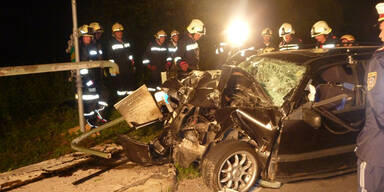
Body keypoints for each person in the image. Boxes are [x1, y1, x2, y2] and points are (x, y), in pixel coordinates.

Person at [355, 2, 384, 192]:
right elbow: (380, 105)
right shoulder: (379, 61)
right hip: (376, 154)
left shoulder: (380, 61)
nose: (380, 35)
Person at [78, 24, 105, 128]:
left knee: (97, 98)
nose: (88, 38)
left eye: (90, 36)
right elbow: (81, 68)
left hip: (93, 78)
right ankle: (89, 123)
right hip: (85, 81)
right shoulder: (79, 50)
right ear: (81, 37)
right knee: (89, 101)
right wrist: (89, 81)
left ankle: (95, 121)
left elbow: (94, 63)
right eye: (86, 36)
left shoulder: (90, 47)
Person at [107, 22, 136, 99]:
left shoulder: (126, 42)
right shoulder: (111, 43)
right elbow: (111, 58)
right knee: (121, 88)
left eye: (120, 31)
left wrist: (132, 64)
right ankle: (121, 102)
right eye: (117, 32)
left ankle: (131, 101)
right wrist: (113, 71)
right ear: (114, 33)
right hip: (118, 69)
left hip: (128, 68)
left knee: (130, 87)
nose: (120, 33)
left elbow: (130, 54)